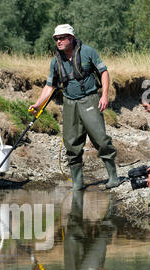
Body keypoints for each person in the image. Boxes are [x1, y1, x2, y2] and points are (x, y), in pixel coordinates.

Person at [30, 24, 120, 190]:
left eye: (62, 38)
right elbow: (49, 86)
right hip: (70, 103)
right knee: (71, 143)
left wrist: (105, 95)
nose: (58, 41)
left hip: (90, 100)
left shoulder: (88, 51)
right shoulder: (55, 61)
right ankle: (78, 183)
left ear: (71, 38)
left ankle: (113, 178)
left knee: (100, 139)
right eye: (56, 39)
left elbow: (104, 72)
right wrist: (37, 104)